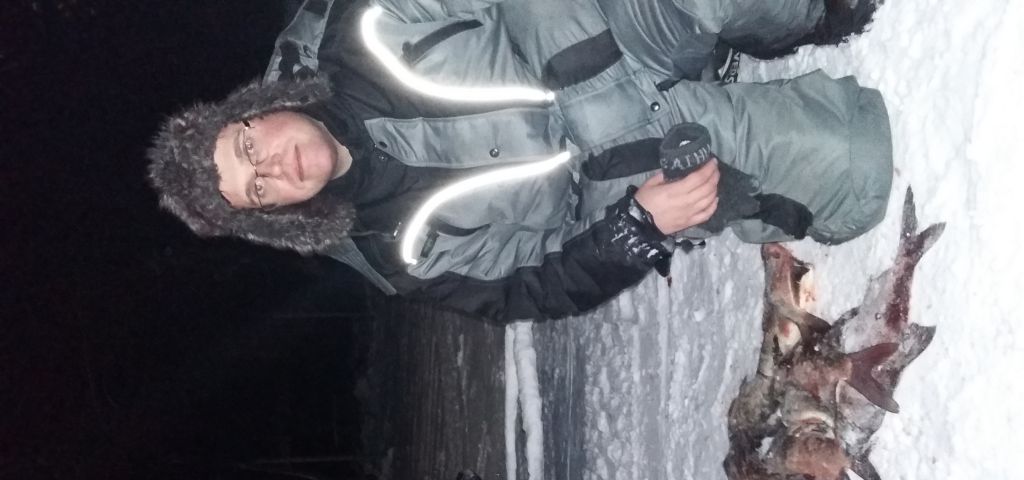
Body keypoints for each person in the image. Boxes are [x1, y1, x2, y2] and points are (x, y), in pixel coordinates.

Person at [148, 0, 892, 323]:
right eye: (257, 190)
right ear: (273, 215)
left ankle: (793, 21)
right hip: (634, 169)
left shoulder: (364, 22)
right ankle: (735, 117)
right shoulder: (398, 254)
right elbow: (532, 287)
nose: (275, 167)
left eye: (249, 147)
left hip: (611, 28)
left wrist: (594, 79)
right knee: (857, 166)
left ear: (255, 107)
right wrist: (635, 229)